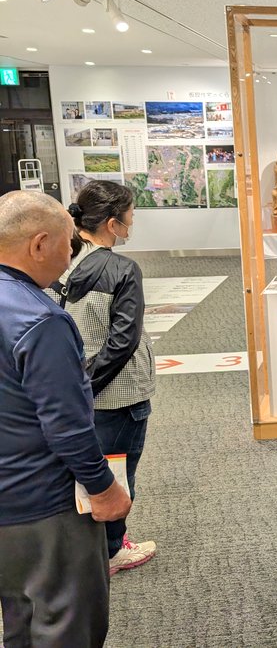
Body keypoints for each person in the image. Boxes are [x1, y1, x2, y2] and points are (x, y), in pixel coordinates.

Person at [0, 191, 132, 647]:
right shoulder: (40, 321)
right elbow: (66, 424)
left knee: (22, 618)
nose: (69, 256)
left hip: (7, 503)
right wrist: (102, 487)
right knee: (66, 625)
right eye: (65, 245)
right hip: (44, 505)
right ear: (38, 244)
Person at [50, 181, 157, 575]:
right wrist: (90, 384)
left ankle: (90, 547)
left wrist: (78, 387)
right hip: (119, 394)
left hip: (75, 389)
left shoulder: (62, 259)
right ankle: (112, 550)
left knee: (88, 468)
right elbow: (123, 342)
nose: (133, 222)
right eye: (130, 216)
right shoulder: (122, 269)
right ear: (114, 224)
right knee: (118, 473)